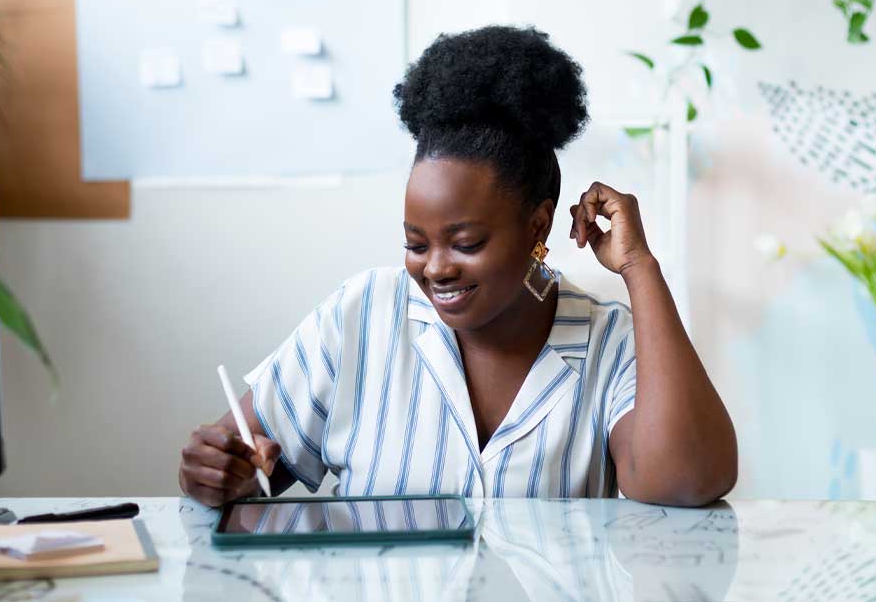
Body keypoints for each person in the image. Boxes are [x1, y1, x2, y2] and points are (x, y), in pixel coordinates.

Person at [179, 26, 737, 505]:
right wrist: (218, 474)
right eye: (416, 244)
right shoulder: (361, 314)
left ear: (538, 227)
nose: (436, 269)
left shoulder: (606, 340)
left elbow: (686, 482)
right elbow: (249, 467)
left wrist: (640, 267)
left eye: (465, 242)